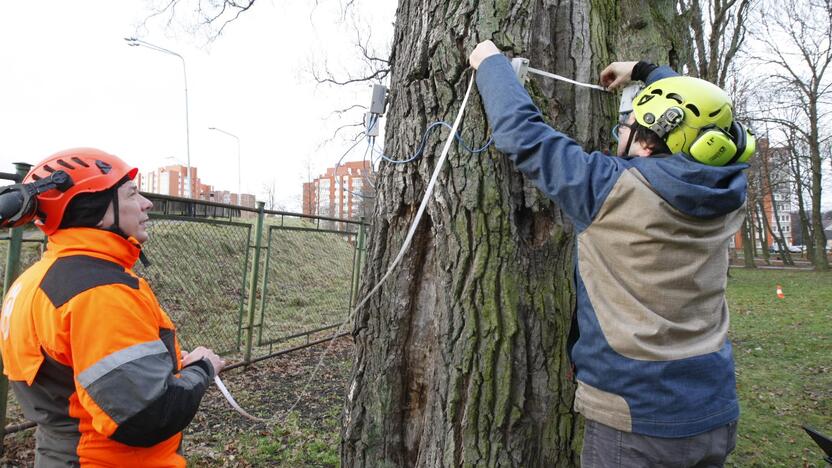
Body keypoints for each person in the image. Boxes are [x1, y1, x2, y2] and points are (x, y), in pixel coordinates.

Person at [469, 41, 754, 467]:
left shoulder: (609, 189)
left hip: (637, 422)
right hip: (713, 409)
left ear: (646, 141)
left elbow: (522, 134)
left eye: (627, 124)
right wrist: (644, 70)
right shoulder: (728, 188)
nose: (617, 131)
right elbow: (702, 108)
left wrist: (488, 62)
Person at [0, 148, 226, 467]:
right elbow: (148, 414)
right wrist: (201, 368)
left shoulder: (34, 281)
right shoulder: (98, 292)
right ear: (97, 208)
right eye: (132, 194)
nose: (146, 203)